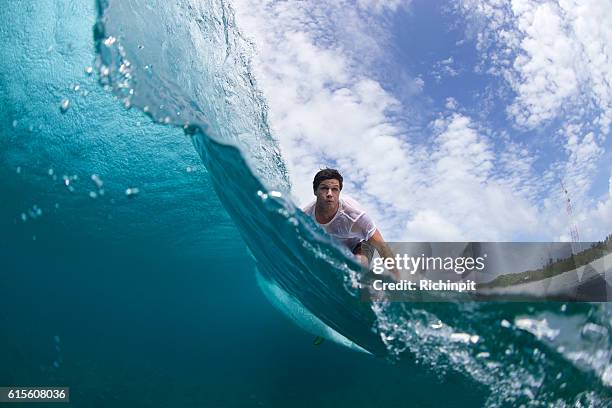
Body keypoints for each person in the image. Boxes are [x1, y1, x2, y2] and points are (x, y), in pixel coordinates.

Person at [302, 168, 398, 280]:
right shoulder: (306, 215)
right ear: (315, 191)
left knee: (357, 266)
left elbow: (382, 247)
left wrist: (398, 283)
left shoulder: (354, 215)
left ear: (339, 192)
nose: (329, 194)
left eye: (335, 189)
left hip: (360, 245)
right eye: (324, 188)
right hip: (337, 248)